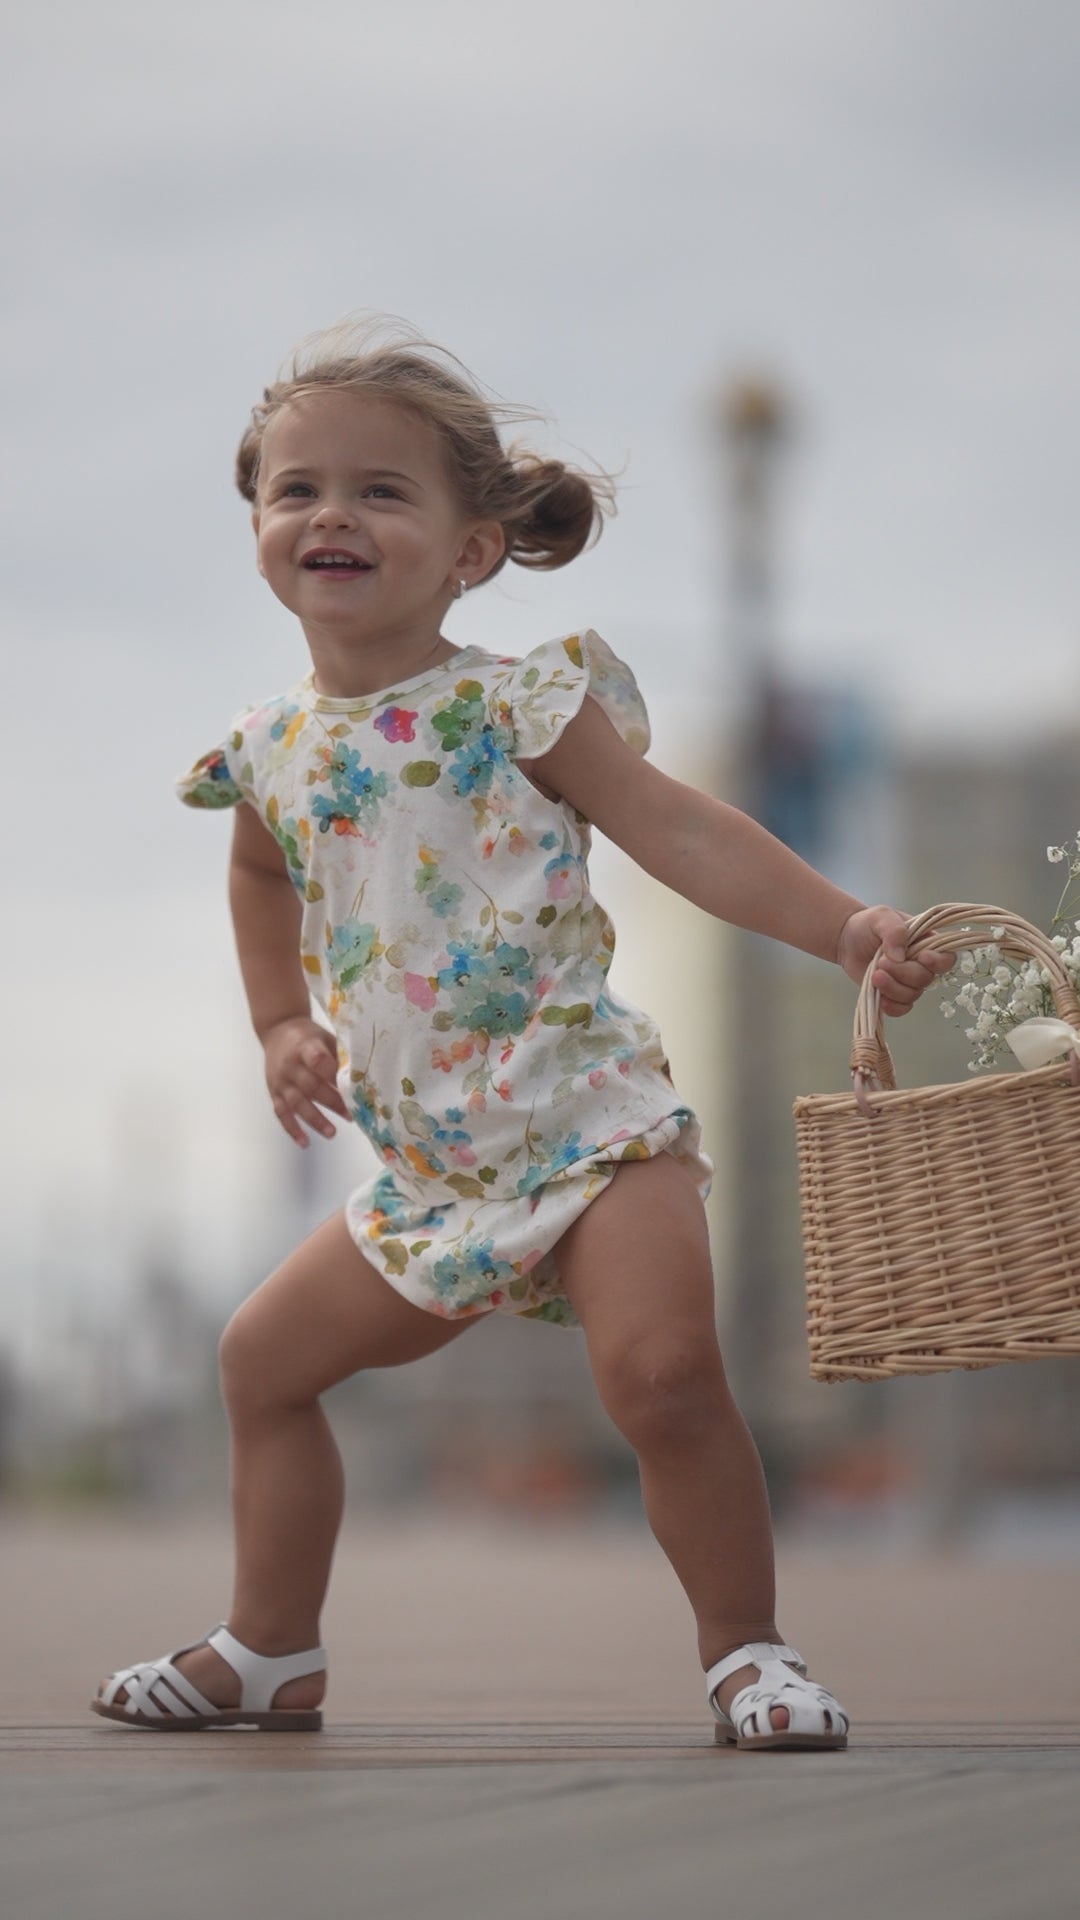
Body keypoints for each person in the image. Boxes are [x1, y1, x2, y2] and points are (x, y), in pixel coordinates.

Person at [92, 318, 949, 1750]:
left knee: (666, 1377)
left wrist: (845, 926)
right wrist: (277, 1020)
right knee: (260, 1363)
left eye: (381, 490)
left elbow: (678, 828)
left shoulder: (514, 703)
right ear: (255, 525)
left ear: (471, 549)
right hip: (432, 1174)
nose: (332, 515)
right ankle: (270, 1646)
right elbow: (256, 872)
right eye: (297, 488)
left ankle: (748, 1651)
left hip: (589, 1123)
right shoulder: (268, 749)